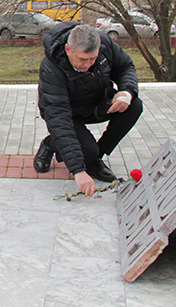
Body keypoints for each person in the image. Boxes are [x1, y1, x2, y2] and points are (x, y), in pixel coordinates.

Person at [35, 22, 143, 197]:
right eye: (82, 60)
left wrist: (126, 92)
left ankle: (94, 159)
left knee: (134, 106)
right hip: (67, 113)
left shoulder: (105, 44)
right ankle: (50, 144)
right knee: (80, 146)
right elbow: (59, 119)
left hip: (96, 103)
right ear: (68, 49)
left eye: (93, 59)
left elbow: (125, 67)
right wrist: (78, 170)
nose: (88, 65)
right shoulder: (51, 69)